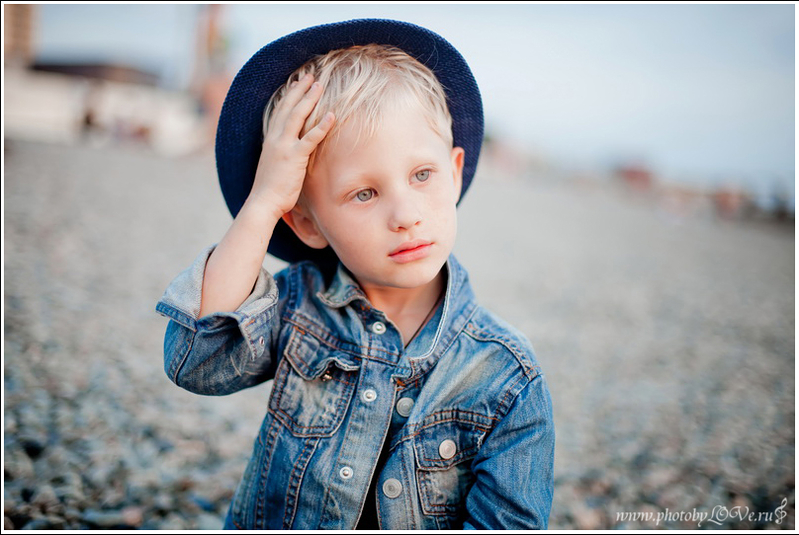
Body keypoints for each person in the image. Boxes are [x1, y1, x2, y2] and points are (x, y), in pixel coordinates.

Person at [156, 18, 555, 530]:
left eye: (422, 174)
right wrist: (264, 202)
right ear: (306, 222)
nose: (405, 214)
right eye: (364, 193)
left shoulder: (506, 376)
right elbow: (199, 362)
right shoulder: (299, 307)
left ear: (455, 172)